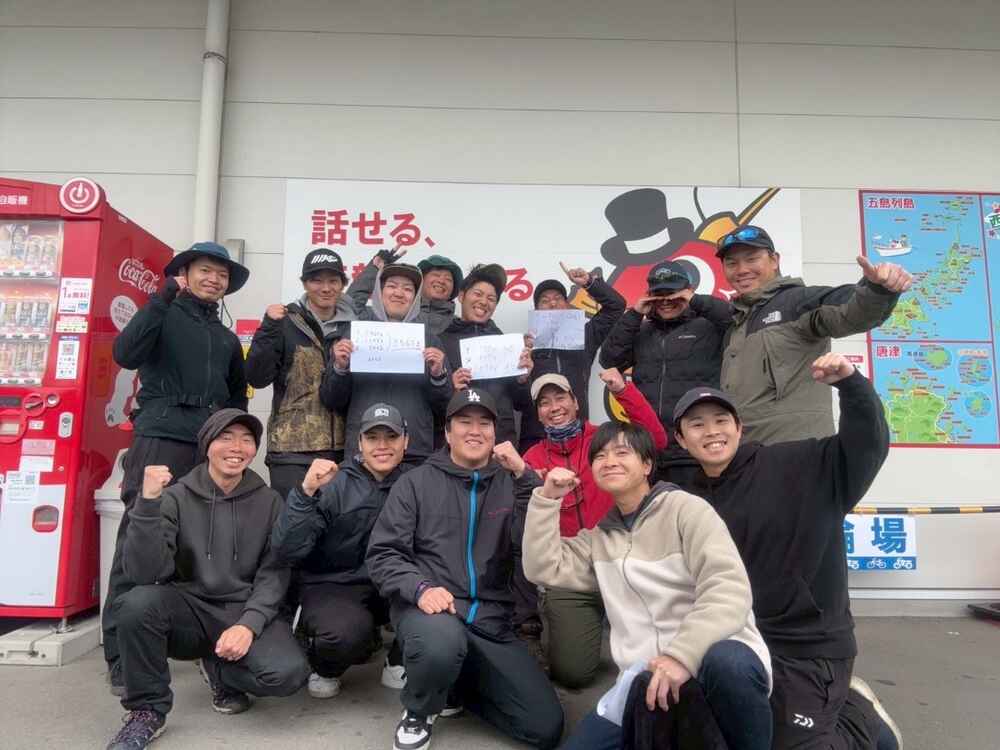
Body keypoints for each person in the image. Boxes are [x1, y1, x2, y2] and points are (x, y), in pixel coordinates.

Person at [673, 353, 904, 750]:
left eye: (721, 420)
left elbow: (866, 445)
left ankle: (859, 717)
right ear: (681, 439)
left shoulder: (799, 463)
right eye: (696, 424)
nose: (711, 432)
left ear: (739, 427)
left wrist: (851, 385)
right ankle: (831, 707)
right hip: (740, 640)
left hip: (809, 646)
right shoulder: (687, 501)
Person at [521, 421, 773, 750]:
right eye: (600, 456)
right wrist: (547, 498)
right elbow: (542, 567)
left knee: (729, 662)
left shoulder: (687, 510)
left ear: (647, 465)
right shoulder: (600, 537)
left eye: (622, 452)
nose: (609, 461)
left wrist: (681, 657)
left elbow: (729, 590)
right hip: (645, 678)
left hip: (707, 658)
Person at [366, 387, 564, 750]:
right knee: (439, 644)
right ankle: (419, 709)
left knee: (545, 726)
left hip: (492, 620)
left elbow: (533, 544)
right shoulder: (415, 482)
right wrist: (420, 589)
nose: (475, 431)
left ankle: (454, 686)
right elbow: (383, 554)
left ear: (495, 432)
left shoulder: (511, 481)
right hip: (433, 611)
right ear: (447, 432)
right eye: (464, 422)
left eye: (484, 423)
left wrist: (526, 479)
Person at [104, 409, 309, 750]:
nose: (236, 447)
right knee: (135, 604)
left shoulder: (269, 500)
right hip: (190, 608)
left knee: (288, 674)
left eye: (246, 440)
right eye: (225, 438)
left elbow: (274, 571)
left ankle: (219, 669)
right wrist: (148, 503)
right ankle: (147, 711)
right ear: (207, 445)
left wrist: (249, 625)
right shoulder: (176, 496)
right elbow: (144, 573)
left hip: (241, 608)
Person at [104, 241, 250, 694]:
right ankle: (120, 655)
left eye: (222, 275)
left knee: (198, 543)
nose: (214, 280)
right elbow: (125, 353)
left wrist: (230, 442)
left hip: (205, 448)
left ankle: (190, 642)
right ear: (184, 273)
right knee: (139, 538)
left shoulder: (226, 338)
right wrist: (162, 296)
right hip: (160, 438)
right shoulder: (161, 313)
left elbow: (235, 398)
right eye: (205, 270)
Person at [522, 368, 666, 689]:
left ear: (576, 402)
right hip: (574, 574)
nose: (554, 407)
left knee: (655, 662)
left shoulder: (605, 440)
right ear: (538, 414)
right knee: (572, 673)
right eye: (544, 403)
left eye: (560, 397)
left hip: (624, 563)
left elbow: (656, 440)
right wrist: (530, 482)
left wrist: (622, 391)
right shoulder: (531, 458)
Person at [716, 224, 912, 445]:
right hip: (742, 454)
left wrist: (877, 290)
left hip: (798, 454)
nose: (741, 269)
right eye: (731, 263)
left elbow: (852, 312)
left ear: (774, 260)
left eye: (751, 259)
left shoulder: (800, 301)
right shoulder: (734, 324)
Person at [271, 402, 411, 699]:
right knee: (343, 635)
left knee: (439, 598)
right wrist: (305, 493)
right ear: (359, 442)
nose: (382, 446)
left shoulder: (414, 483)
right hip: (335, 584)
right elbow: (286, 550)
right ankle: (324, 663)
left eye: (391, 437)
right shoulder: (332, 482)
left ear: (406, 441)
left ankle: (398, 659)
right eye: (372, 438)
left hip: (390, 584)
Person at [599, 260, 731, 487]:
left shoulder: (710, 326)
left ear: (688, 292)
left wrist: (695, 300)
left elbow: (735, 318)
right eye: (658, 294)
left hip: (694, 451)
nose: (666, 301)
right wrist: (635, 314)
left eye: (673, 293)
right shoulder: (642, 330)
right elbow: (609, 360)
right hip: (649, 451)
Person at [245, 248, 355, 499]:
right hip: (291, 452)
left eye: (333, 281)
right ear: (305, 283)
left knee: (334, 522)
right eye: (316, 280)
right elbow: (256, 377)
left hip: (341, 452)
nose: (325, 288)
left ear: (342, 285)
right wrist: (268, 329)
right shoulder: (284, 322)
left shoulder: (354, 328)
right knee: (292, 519)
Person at [320, 262, 452, 465]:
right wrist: (339, 368)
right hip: (363, 452)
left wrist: (438, 376)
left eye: (407, 289)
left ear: (416, 297)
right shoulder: (355, 335)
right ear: (379, 293)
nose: (399, 293)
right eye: (391, 286)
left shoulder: (430, 340)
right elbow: (332, 400)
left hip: (414, 452)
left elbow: (445, 409)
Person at [519, 262, 626, 454]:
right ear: (536, 311)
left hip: (578, 434)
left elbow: (616, 307)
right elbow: (515, 397)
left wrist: (589, 283)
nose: (552, 304)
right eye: (544, 301)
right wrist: (523, 372)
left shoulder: (586, 335)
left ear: (568, 305)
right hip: (536, 436)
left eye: (558, 299)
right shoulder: (524, 347)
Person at [440, 262, 534, 446]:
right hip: (459, 445)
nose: (484, 302)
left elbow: (521, 403)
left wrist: (523, 379)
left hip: (501, 442)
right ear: (461, 296)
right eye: (478, 294)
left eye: (491, 298)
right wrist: (452, 389)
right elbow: (433, 404)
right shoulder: (441, 341)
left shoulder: (506, 344)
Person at [348, 248, 463, 336]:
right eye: (436, 275)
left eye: (448, 279)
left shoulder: (456, 325)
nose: (441, 281)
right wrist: (375, 269)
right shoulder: (370, 316)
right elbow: (350, 306)